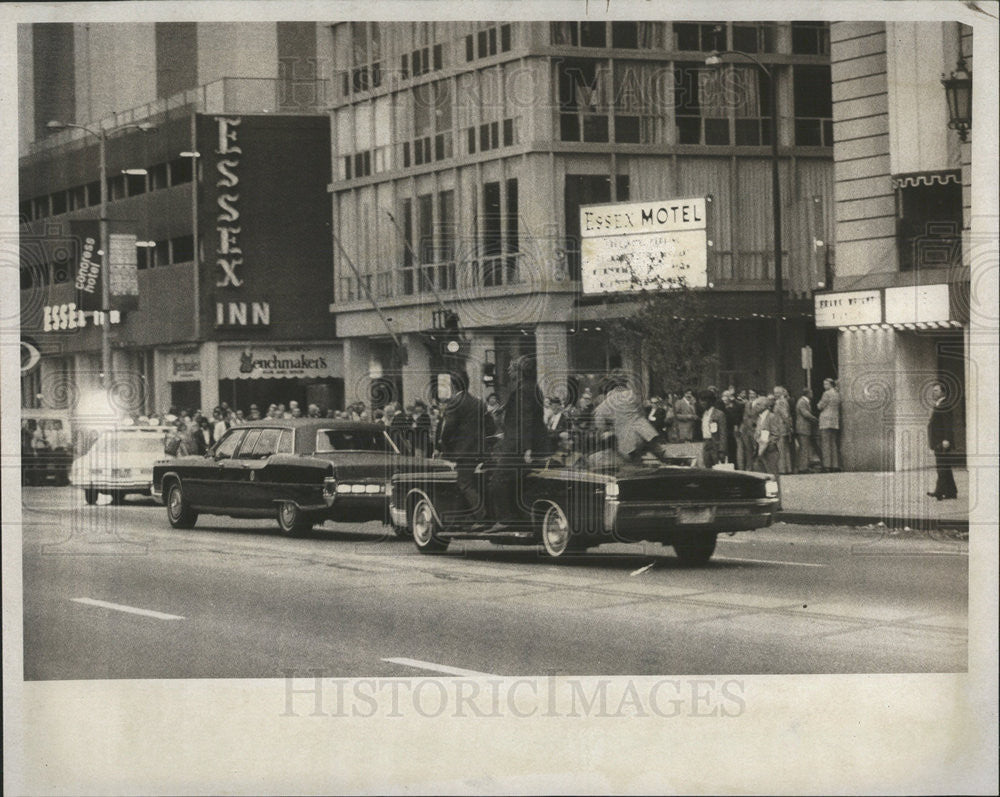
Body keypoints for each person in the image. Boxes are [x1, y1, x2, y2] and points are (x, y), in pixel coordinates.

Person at [486, 356, 550, 532]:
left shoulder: (523, 391)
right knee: (516, 482)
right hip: (524, 444)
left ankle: (506, 519)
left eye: (511, 369)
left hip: (518, 447)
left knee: (497, 480)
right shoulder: (531, 389)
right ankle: (519, 518)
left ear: (519, 372)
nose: (508, 371)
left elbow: (525, 420)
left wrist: (527, 448)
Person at [434, 369, 494, 523]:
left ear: (453, 386)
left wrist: (443, 446)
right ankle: (462, 518)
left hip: (464, 451)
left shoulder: (454, 402)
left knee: (464, 484)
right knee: (474, 482)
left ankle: (482, 516)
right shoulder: (479, 402)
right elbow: (490, 426)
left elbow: (448, 428)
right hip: (480, 450)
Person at [926, 382, 958, 500]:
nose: (933, 393)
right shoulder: (939, 404)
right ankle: (951, 492)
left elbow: (948, 424)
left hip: (942, 442)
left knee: (942, 467)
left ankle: (939, 492)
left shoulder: (944, 405)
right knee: (945, 466)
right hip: (938, 441)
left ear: (943, 392)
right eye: (933, 390)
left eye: (936, 390)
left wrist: (947, 439)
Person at [754, 394, 782, 478]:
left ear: (765, 406)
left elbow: (776, 434)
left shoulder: (771, 417)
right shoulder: (759, 418)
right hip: (760, 451)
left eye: (758, 404)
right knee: (763, 476)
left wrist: (768, 445)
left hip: (770, 452)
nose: (756, 406)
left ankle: (775, 491)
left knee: (772, 475)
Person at [817, 377, 841, 472]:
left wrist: (818, 405)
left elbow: (820, 406)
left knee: (826, 444)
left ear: (830, 385)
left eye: (825, 384)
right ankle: (835, 464)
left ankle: (827, 465)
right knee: (833, 444)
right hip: (834, 421)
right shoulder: (837, 394)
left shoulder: (826, 393)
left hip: (825, 420)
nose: (824, 386)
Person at [700, 389, 728, 468]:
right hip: (706, 442)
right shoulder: (704, 414)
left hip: (716, 444)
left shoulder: (719, 414)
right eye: (701, 401)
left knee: (718, 466)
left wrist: (722, 450)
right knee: (707, 465)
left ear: (710, 402)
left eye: (704, 401)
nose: (702, 403)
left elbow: (723, 433)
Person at [795, 388, 820, 473]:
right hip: (803, 428)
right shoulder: (802, 402)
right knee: (804, 448)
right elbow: (805, 413)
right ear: (807, 394)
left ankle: (804, 466)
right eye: (811, 392)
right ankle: (803, 468)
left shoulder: (805, 401)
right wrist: (815, 419)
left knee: (805, 447)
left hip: (805, 428)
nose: (812, 394)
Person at [772, 386, 794, 474]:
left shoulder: (780, 402)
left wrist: (789, 426)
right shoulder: (782, 401)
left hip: (780, 427)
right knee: (785, 449)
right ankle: (787, 468)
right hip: (782, 427)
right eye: (775, 393)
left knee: (781, 449)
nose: (775, 394)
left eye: (777, 393)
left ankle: (782, 469)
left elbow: (785, 415)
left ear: (781, 393)